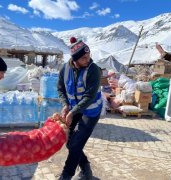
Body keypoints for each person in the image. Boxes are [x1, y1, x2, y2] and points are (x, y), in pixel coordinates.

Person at [57, 37, 102, 180]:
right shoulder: (65, 69)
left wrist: (71, 111)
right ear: (75, 59)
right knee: (69, 141)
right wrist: (65, 104)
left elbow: (89, 96)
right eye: (83, 58)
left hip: (91, 111)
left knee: (76, 144)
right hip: (74, 109)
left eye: (88, 56)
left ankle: (66, 175)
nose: (87, 59)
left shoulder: (94, 70)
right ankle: (86, 171)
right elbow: (60, 88)